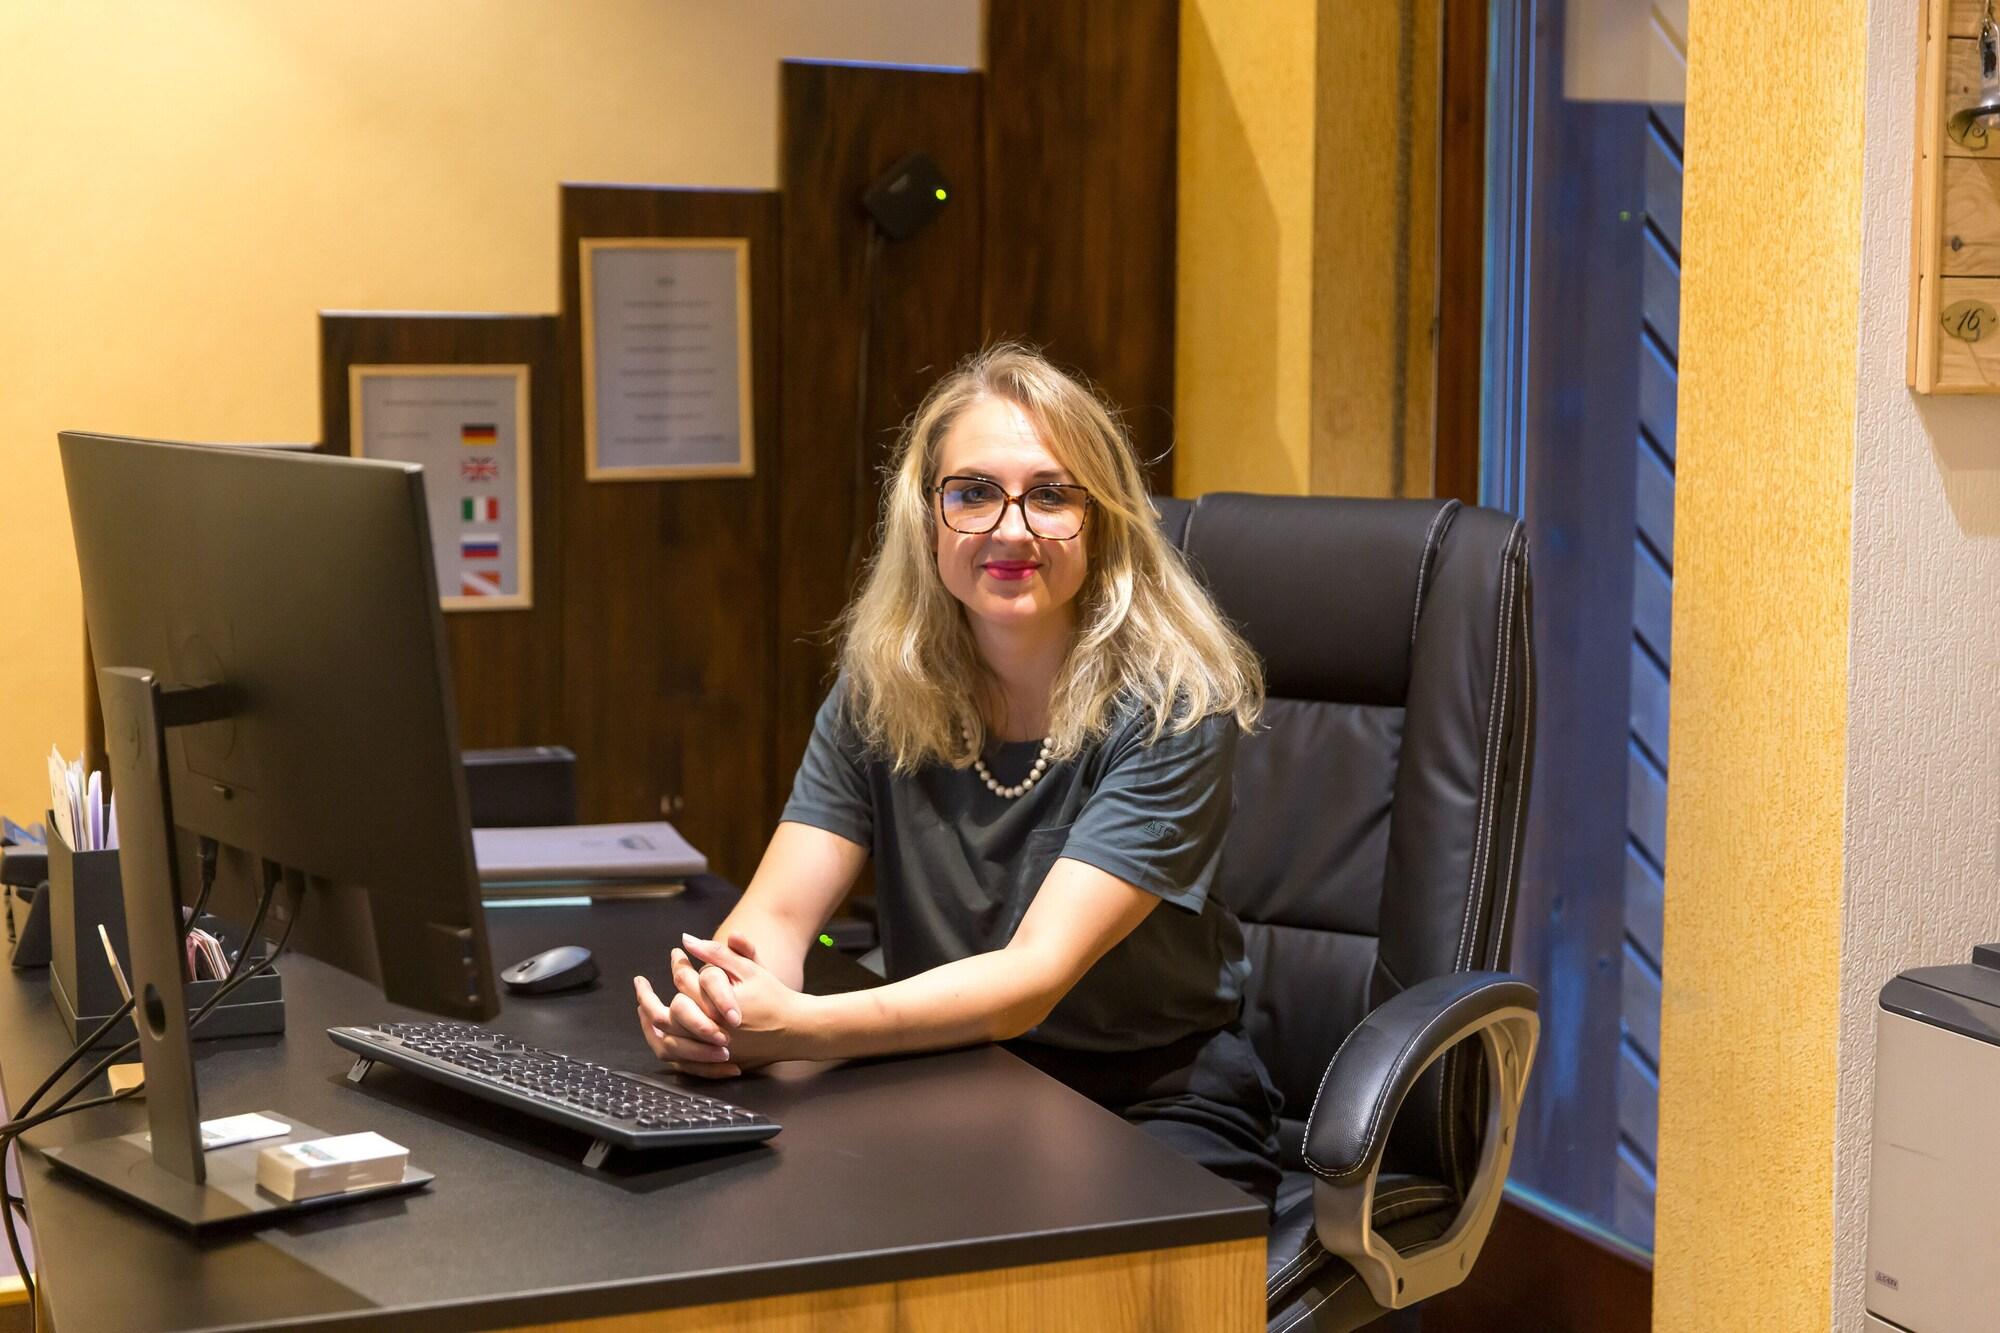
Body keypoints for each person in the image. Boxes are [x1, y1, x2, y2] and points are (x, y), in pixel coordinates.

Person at [632, 343, 1282, 1214]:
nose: (1009, 530)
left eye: (1051, 495)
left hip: (1146, 1102)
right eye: (972, 492)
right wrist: (722, 1004)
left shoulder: (1173, 707)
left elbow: (1029, 978)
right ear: (928, 516)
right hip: (949, 1078)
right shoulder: (881, 688)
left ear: (1103, 520)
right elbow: (779, 916)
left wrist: (796, 1026)